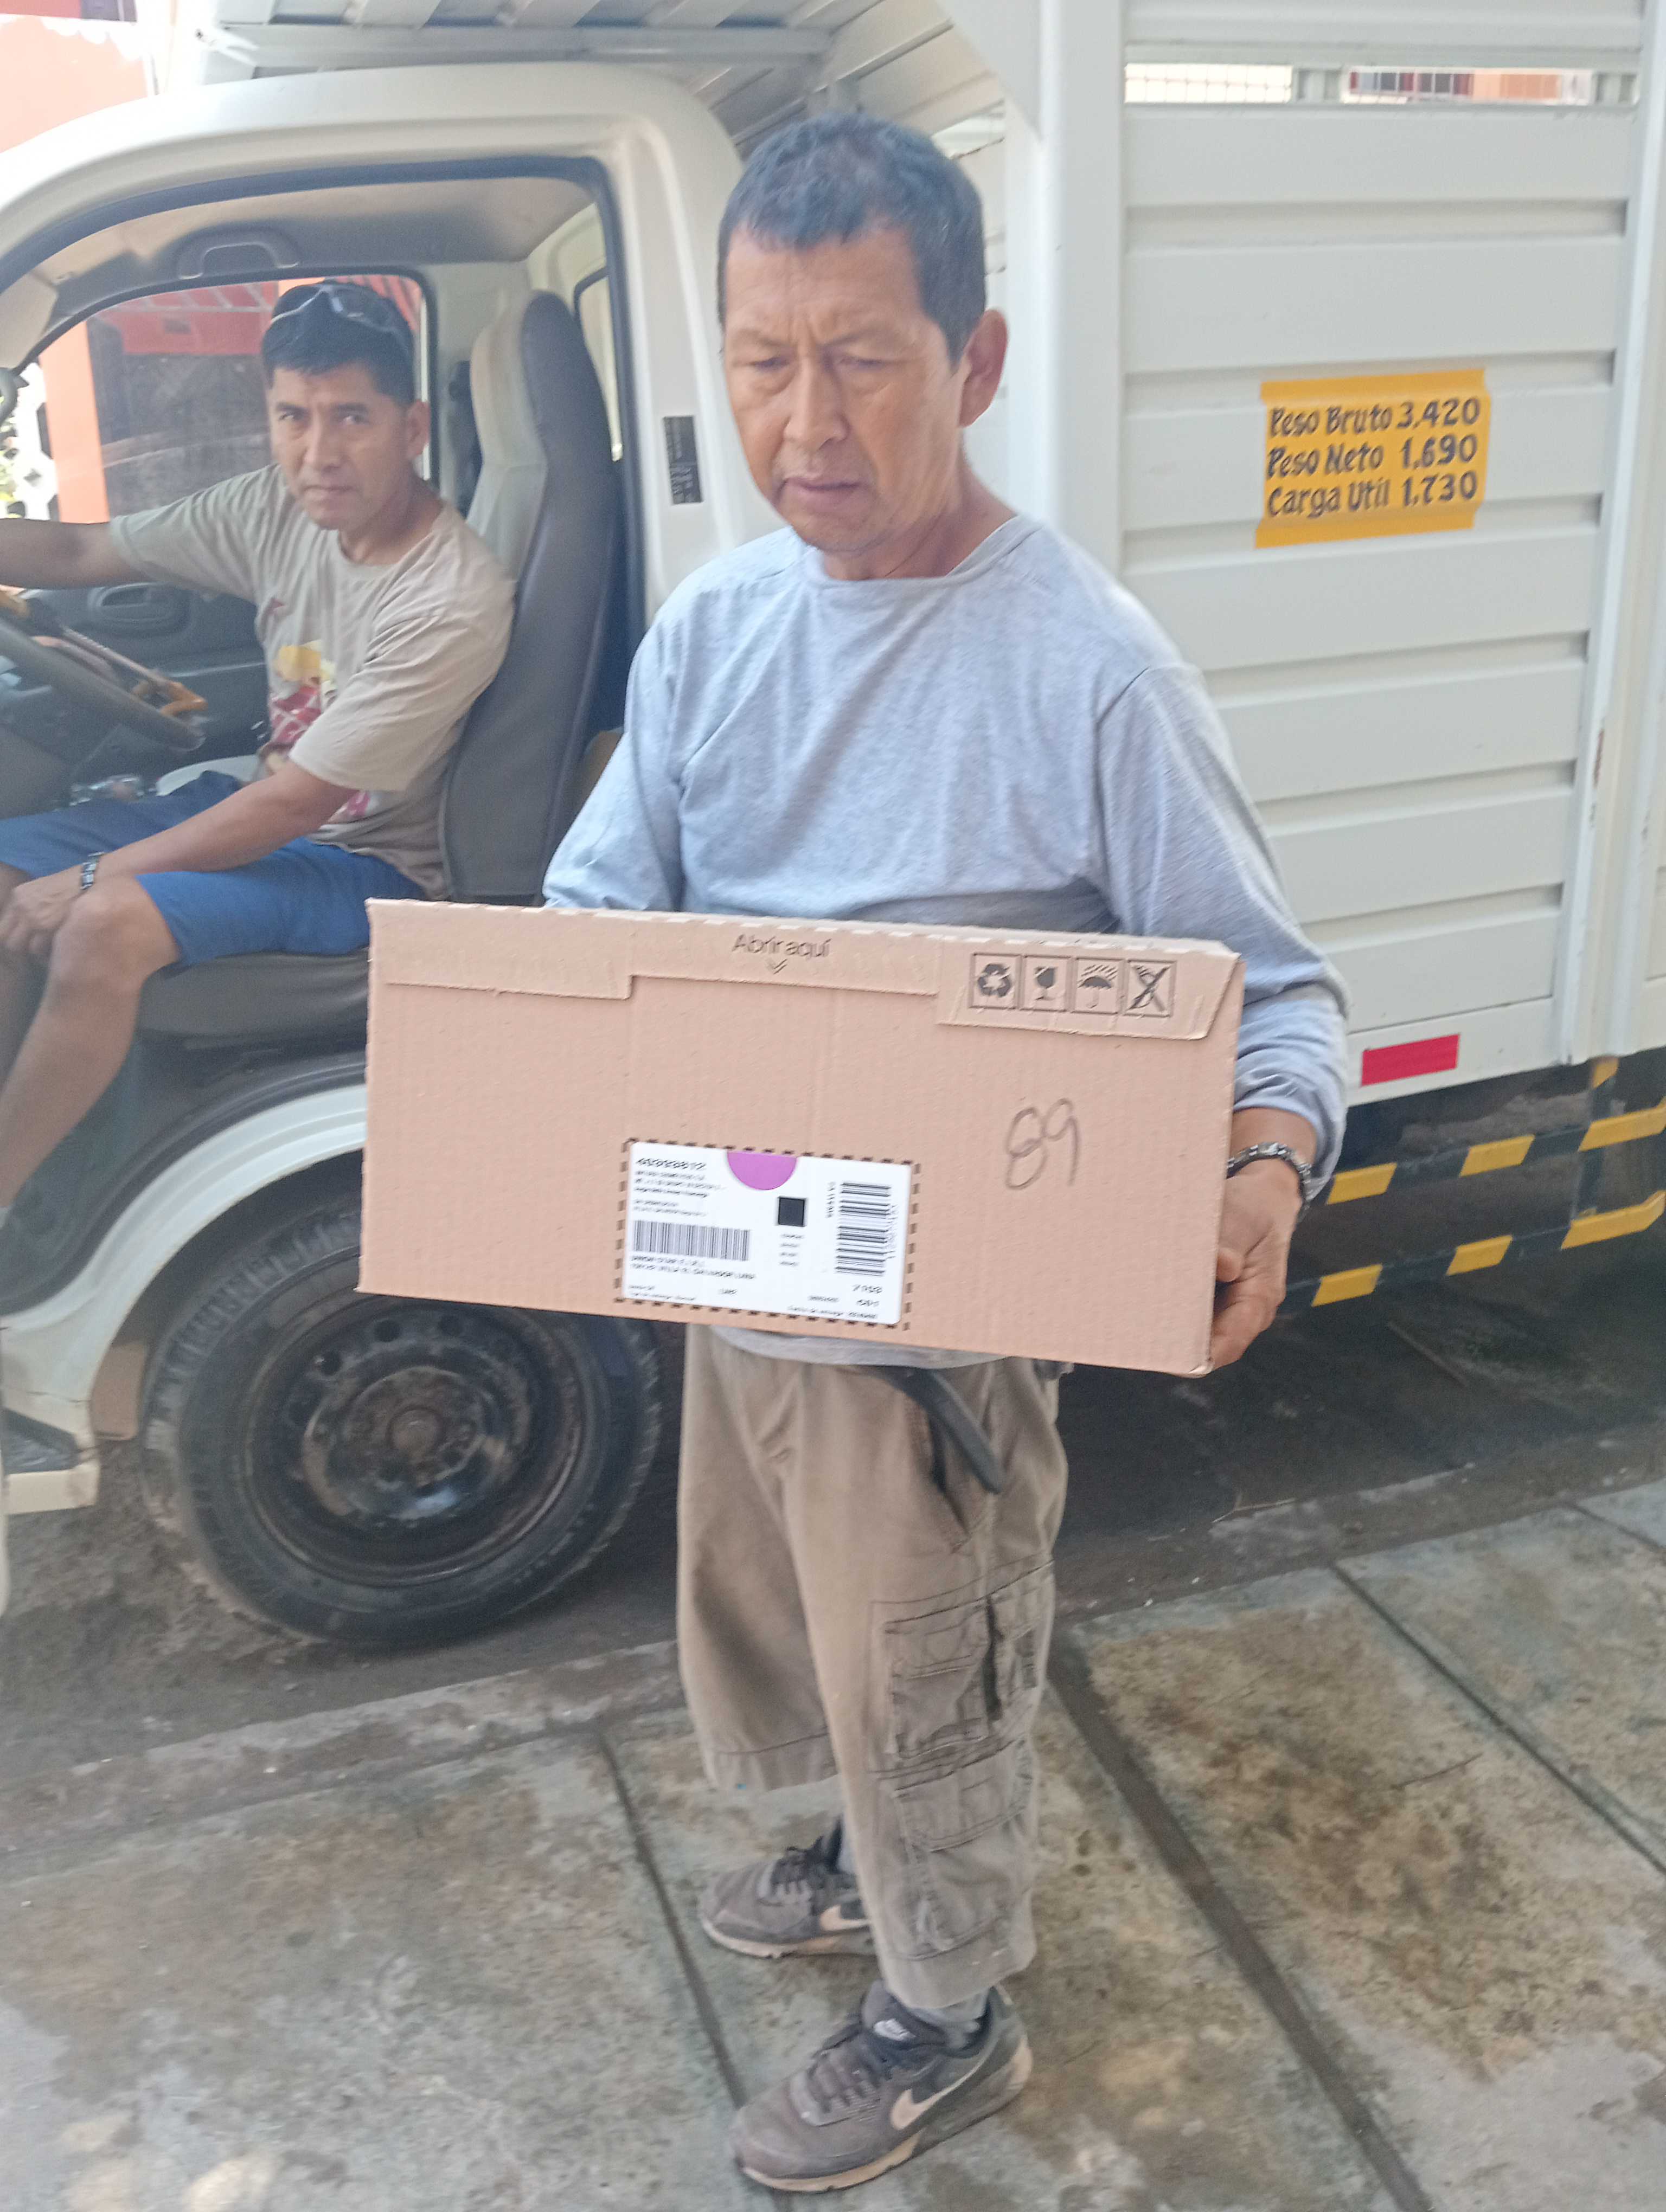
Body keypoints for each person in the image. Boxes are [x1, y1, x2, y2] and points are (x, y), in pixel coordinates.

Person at [544, 114, 1348, 2192]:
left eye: (863, 361)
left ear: (974, 362)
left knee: (927, 1662)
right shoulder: (715, 631)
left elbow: (1278, 999)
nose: (804, 424)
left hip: (942, 1346)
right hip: (740, 1260)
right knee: (770, 1615)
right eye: (763, 361)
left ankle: (945, 2007)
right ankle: (849, 1862)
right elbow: (597, 897)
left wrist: (1262, 1173)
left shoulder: (1088, 674)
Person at [0, 282, 514, 1228]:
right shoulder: (275, 509)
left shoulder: (450, 596)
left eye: (351, 417)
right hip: (265, 806)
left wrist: (89, 874)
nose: (319, 454)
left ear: (409, 427)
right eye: (293, 417)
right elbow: (77, 554)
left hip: (368, 862)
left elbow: (296, 807)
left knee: (102, 921)